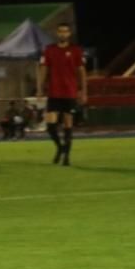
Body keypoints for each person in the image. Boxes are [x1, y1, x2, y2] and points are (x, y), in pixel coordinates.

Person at [36, 23, 87, 166]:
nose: (63, 34)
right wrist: (39, 88)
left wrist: (83, 91)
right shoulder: (50, 50)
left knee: (67, 125)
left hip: (70, 93)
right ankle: (60, 148)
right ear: (57, 33)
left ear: (69, 34)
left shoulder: (76, 50)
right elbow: (44, 69)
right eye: (60, 31)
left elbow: (81, 72)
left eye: (65, 31)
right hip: (54, 92)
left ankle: (66, 158)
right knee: (50, 125)